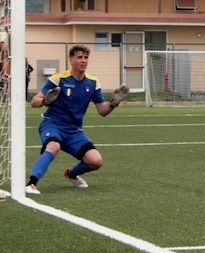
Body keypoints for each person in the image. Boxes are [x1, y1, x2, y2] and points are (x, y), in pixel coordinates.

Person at [25, 45, 130, 194]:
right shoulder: (58, 79)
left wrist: (114, 103)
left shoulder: (93, 82)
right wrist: (45, 101)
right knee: (53, 147)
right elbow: (34, 102)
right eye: (79, 57)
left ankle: (71, 174)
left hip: (74, 130)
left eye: (86, 57)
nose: (83, 61)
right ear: (71, 60)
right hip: (52, 124)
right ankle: (31, 184)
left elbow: (102, 111)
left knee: (96, 161)